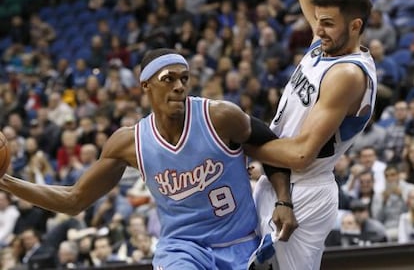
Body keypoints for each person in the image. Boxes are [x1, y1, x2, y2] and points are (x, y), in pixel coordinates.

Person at [0, 48, 296, 269]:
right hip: (182, 249)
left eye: (184, 78)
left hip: (239, 243)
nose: (179, 86)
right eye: (168, 79)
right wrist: (5, 182)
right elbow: (74, 199)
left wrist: (284, 199)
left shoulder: (220, 116)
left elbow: (272, 149)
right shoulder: (129, 142)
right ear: (145, 86)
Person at [246, 0, 377, 269]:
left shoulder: (348, 74)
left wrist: (237, 144)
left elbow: (303, 154)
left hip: (305, 187)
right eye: (317, 20)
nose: (317, 29)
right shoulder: (327, 41)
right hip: (278, 175)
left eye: (327, 23)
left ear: (356, 25)